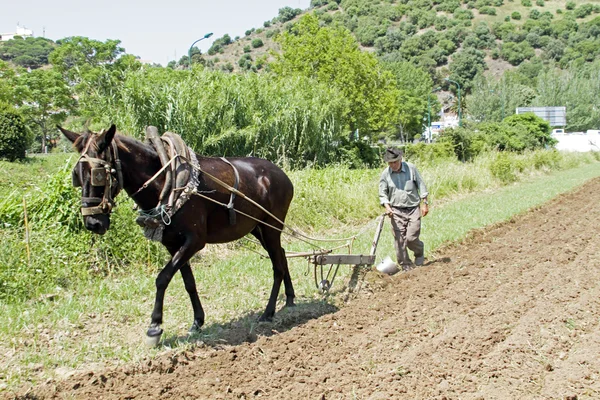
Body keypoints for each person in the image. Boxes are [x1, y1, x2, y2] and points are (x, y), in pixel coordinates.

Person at [378, 147, 429, 271]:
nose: (393, 165)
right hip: (396, 211)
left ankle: (419, 252)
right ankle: (405, 264)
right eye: (390, 163)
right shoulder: (385, 174)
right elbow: (382, 192)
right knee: (399, 240)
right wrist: (387, 206)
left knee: (411, 238)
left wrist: (425, 203)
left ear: (400, 159)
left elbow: (421, 185)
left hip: (413, 209)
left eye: (395, 162)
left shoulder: (411, 168)